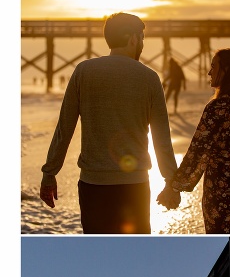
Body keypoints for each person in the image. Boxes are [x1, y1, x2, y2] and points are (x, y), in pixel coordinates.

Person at [40, 12, 179, 234]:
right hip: (134, 186)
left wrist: (49, 173)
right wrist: (171, 181)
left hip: (93, 185)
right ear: (132, 38)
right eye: (142, 38)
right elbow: (162, 139)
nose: (142, 43)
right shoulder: (149, 78)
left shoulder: (83, 71)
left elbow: (64, 129)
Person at [160, 48, 230, 233]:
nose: (209, 72)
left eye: (214, 66)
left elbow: (198, 151)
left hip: (220, 189)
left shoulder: (218, 106)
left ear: (227, 70)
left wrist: (175, 187)